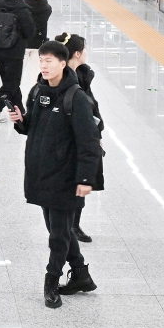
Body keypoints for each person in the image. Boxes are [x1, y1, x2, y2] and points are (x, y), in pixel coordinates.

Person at [8, 41, 102, 308]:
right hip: (41, 173)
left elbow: (89, 142)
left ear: (63, 63)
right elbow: (33, 127)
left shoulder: (76, 98)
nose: (44, 65)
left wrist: (86, 179)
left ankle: (51, 282)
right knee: (58, 229)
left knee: (58, 235)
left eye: (49, 61)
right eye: (41, 60)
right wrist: (21, 121)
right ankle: (80, 274)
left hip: (66, 177)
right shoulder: (38, 91)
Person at [57, 33, 105, 243]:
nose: (86, 52)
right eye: (84, 48)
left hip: (85, 134)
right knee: (70, 182)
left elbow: (92, 106)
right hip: (69, 138)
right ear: (77, 53)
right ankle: (67, 226)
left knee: (80, 181)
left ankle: (73, 225)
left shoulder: (83, 75)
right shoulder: (63, 79)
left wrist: (97, 132)